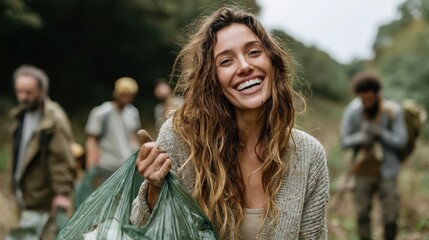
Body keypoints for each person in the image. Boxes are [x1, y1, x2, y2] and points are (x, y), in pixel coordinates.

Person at [131, 6, 329, 239]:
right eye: (226, 61)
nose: (245, 66)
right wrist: (155, 190)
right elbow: (141, 230)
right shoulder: (180, 140)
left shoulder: (308, 155)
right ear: (211, 79)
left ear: (272, 62)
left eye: (254, 52)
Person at [8, 65, 76, 240]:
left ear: (42, 90)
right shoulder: (19, 116)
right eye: (19, 92)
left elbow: (61, 158)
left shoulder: (53, 119)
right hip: (24, 195)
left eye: (29, 92)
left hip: (44, 199)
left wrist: (61, 193)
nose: (23, 97)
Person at [340, 71, 408, 240]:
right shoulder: (352, 111)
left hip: (388, 171)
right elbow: (344, 141)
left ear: (378, 94)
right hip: (362, 171)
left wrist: (381, 134)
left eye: (369, 99)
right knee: (362, 213)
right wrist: (361, 137)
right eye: (363, 100)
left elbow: (402, 141)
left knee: (391, 215)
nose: (366, 103)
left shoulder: (393, 111)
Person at [85, 77, 141, 184]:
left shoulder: (133, 113)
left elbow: (133, 136)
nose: (126, 97)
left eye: (129, 94)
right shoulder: (101, 113)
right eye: (123, 93)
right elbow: (92, 141)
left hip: (126, 166)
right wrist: (90, 169)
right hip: (106, 166)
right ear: (117, 93)